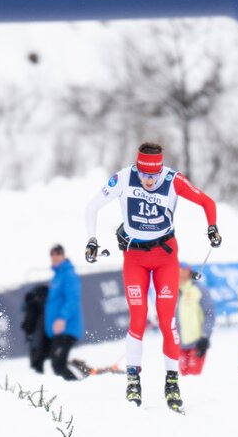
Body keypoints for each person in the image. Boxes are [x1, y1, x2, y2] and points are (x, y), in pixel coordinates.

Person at [85, 142, 220, 412]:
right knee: (138, 316)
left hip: (165, 258)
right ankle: (133, 380)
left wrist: (212, 227)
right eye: (144, 175)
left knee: (168, 319)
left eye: (153, 176)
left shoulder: (173, 180)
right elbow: (92, 207)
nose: (148, 181)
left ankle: (172, 383)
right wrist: (91, 240)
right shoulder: (124, 177)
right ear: (138, 168)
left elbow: (207, 201)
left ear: (160, 170)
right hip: (134, 258)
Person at [45, 244, 84, 381]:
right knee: (57, 364)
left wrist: (62, 318)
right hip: (59, 329)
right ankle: (75, 386)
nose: (55, 257)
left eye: (58, 254)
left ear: (63, 256)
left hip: (67, 327)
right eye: (53, 254)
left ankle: (78, 387)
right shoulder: (58, 276)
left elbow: (73, 300)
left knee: (58, 364)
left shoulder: (68, 275)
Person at [176, 265, 215, 376]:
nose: (180, 274)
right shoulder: (171, 291)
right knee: (183, 378)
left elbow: (209, 314)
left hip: (197, 343)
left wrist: (205, 337)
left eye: (183, 271)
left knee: (193, 378)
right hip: (179, 344)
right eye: (178, 271)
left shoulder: (199, 289)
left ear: (189, 272)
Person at [20, 283, 50, 374]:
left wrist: (26, 328)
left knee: (36, 364)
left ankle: (39, 382)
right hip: (50, 336)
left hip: (37, 336)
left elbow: (30, 320)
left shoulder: (32, 302)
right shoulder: (48, 302)